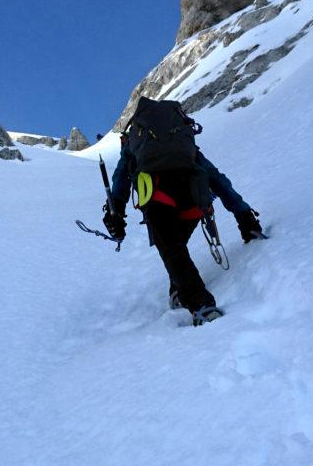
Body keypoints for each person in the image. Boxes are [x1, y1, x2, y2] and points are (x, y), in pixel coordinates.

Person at [102, 98, 264, 325]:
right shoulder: (183, 141)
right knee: (176, 247)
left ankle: (201, 305)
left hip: (157, 197)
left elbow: (121, 178)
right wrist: (244, 216)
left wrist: (116, 211)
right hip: (193, 198)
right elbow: (216, 178)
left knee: (172, 249)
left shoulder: (133, 143)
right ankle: (178, 289)